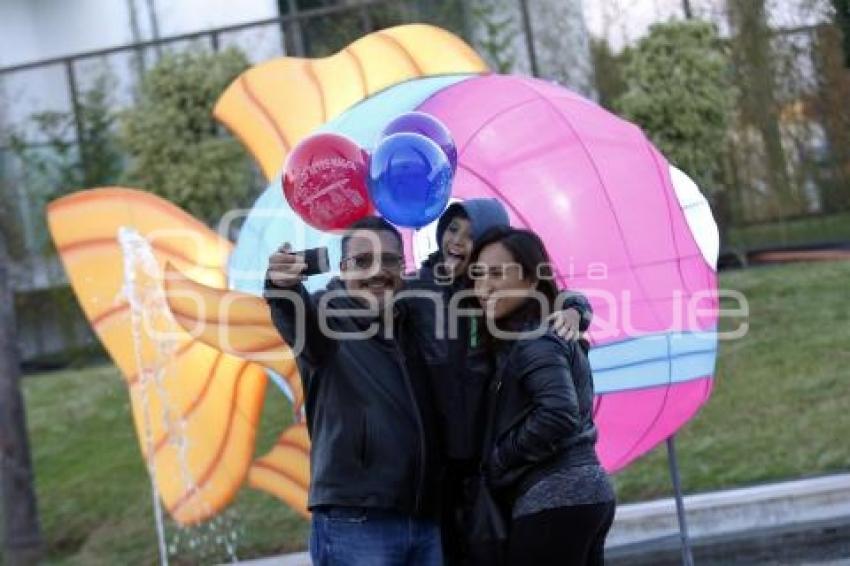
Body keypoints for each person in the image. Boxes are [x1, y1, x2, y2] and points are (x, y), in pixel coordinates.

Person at [408, 200, 594, 564]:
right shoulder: (417, 290)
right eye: (451, 229)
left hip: (497, 471)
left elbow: (549, 298)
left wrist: (576, 309)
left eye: (470, 233)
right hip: (446, 467)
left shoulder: (497, 303)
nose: (457, 241)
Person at [265, 216, 443, 566]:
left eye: (390, 260)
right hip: (357, 520)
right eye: (362, 261)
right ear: (342, 270)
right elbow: (295, 315)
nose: (378, 271)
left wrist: (570, 306)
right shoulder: (324, 318)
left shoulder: (415, 321)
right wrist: (282, 288)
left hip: (425, 519)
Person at [470, 226, 615, 566]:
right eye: (478, 276)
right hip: (581, 491)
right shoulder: (532, 332)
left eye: (497, 274)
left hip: (555, 493)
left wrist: (500, 459)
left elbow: (557, 415)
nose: (484, 286)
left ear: (533, 280)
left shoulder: (535, 339)